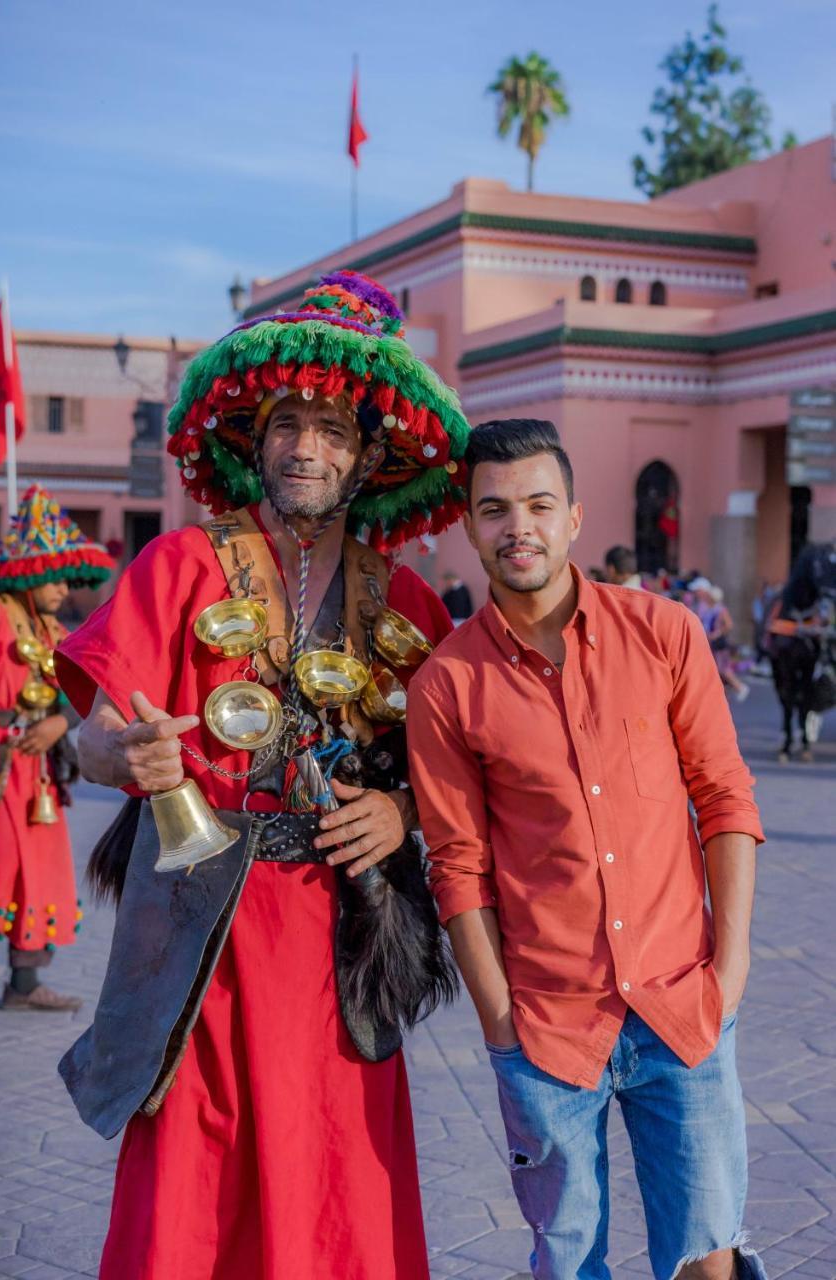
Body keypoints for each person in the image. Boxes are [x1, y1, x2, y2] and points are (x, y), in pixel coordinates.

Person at [55, 271, 470, 1280]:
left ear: (371, 452)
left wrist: (398, 808)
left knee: (337, 1168)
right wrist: (122, 753)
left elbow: (465, 767)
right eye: (289, 423)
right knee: (193, 1180)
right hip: (202, 923)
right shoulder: (180, 566)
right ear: (253, 435)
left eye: (333, 431)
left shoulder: (408, 597)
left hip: (342, 933)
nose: (306, 447)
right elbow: (87, 732)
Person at [407, 419, 767, 1280]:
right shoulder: (447, 683)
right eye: (493, 509)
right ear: (468, 526)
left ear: (573, 516)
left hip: (682, 1006)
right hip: (547, 1026)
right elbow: (457, 863)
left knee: (704, 1251)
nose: (516, 527)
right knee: (567, 1262)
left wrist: (733, 965)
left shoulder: (665, 634)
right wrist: (500, 1022)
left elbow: (723, 798)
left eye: (537, 504)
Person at [0, 485, 113, 1009]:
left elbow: (85, 689)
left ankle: (24, 986)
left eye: (67, 578)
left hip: (37, 776)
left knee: (37, 875)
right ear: (30, 574)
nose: (64, 588)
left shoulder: (55, 629)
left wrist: (60, 724)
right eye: (54, 577)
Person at [690, 577, 749, 702]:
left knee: (723, 668)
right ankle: (721, 695)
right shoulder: (707, 607)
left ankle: (740, 687)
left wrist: (717, 633)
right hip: (711, 643)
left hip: (718, 644)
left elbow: (728, 625)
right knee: (715, 670)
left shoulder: (719, 609)